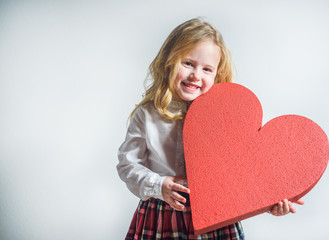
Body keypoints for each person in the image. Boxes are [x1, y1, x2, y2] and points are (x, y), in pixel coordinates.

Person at [117, 17, 304, 239]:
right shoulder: (147, 114)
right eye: (188, 63)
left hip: (216, 217)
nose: (196, 75)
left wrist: (272, 199)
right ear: (169, 61)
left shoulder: (225, 118)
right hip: (163, 213)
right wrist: (159, 185)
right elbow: (128, 165)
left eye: (207, 69)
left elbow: (242, 170)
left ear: (217, 75)